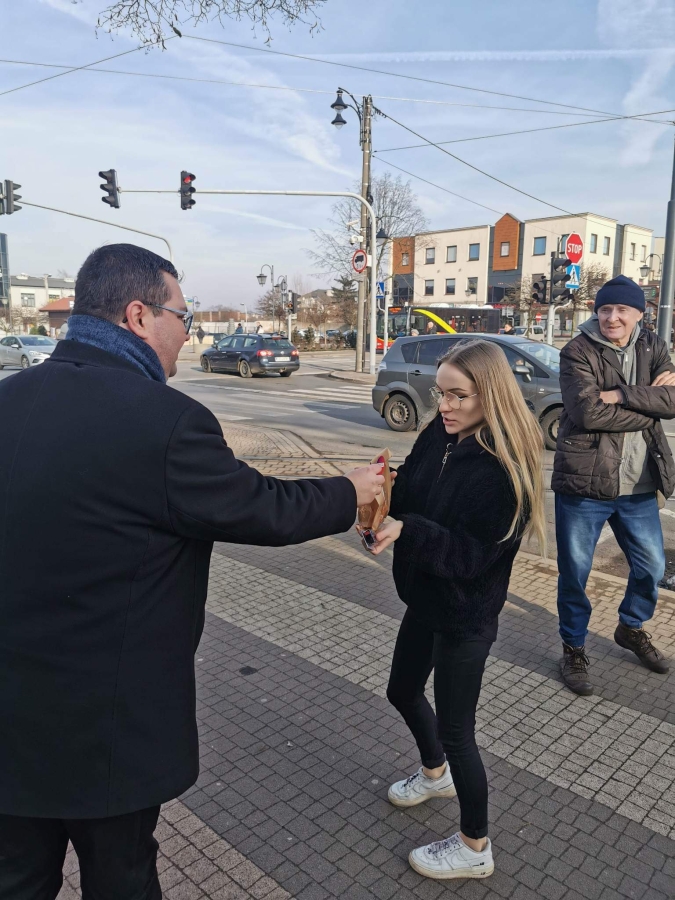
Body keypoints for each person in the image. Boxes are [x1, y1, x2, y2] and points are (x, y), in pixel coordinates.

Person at [0, 244, 385, 899]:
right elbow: (261, 508)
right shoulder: (164, 420)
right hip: (106, 732)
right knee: (120, 877)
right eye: (183, 315)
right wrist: (351, 492)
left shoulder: (8, 398)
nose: (189, 332)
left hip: (10, 722)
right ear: (139, 316)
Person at [370, 339, 546, 881]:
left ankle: (474, 847)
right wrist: (379, 497)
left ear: (490, 395)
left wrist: (407, 530)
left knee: (457, 732)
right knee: (401, 690)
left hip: (466, 615)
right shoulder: (440, 434)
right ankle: (434, 774)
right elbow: (412, 486)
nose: (443, 405)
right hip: (425, 597)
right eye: (440, 392)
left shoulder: (504, 468)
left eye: (457, 396)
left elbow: (471, 556)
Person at [553, 275, 674, 695]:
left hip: (639, 484)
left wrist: (620, 395)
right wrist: (649, 405)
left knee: (651, 567)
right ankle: (573, 647)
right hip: (584, 483)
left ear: (640, 313)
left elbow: (673, 401)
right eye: (605, 309)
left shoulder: (653, 346)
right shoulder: (577, 350)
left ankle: (630, 626)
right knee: (575, 573)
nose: (612, 317)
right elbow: (587, 414)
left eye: (622, 309)